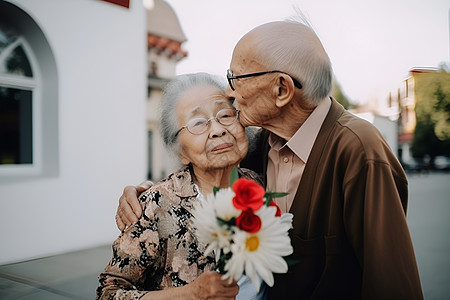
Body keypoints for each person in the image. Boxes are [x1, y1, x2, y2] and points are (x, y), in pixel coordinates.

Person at [116, 20, 423, 299]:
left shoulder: (358, 148)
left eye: (236, 77)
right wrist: (145, 196)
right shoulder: (261, 145)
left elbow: (393, 285)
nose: (229, 92)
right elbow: (199, 173)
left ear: (281, 89)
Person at [97, 73, 267, 300]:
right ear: (181, 151)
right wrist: (190, 294)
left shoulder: (262, 184)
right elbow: (107, 294)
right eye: (198, 123)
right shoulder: (154, 206)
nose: (217, 129)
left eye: (225, 115)